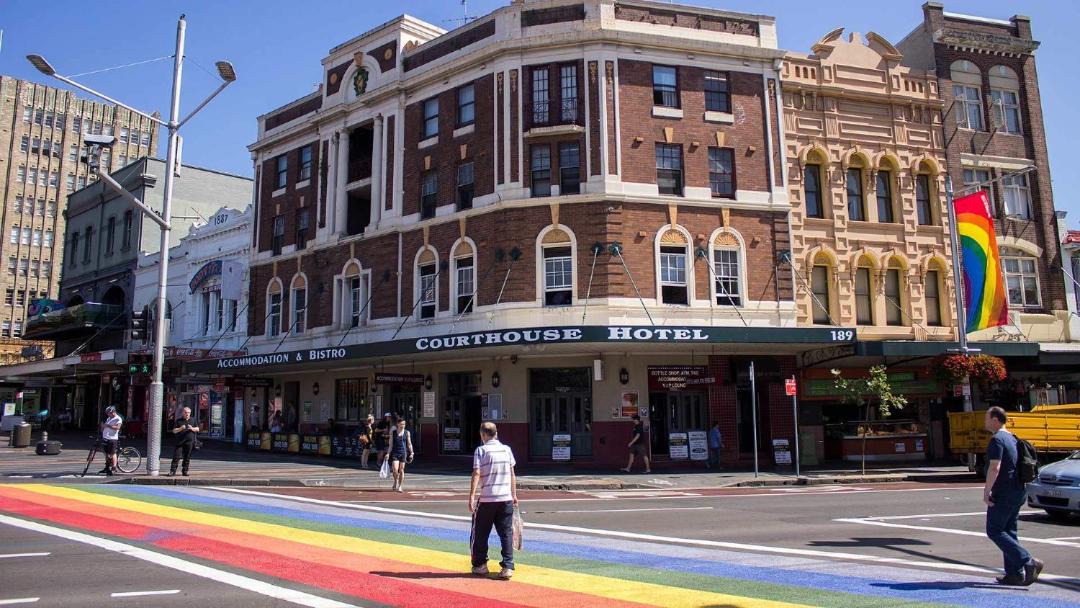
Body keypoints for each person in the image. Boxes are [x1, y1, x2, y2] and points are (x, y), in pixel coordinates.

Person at [983, 406, 1043, 586]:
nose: (984, 421)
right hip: (1018, 490)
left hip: (1004, 492)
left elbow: (995, 467)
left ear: (995, 420)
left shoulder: (997, 440)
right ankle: (1014, 574)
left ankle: (1028, 561)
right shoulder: (1012, 438)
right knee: (1009, 531)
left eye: (987, 418)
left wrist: (987, 491)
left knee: (994, 530)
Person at [468, 421, 518, 580]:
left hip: (487, 498)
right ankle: (508, 566)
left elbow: (476, 473)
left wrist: (471, 496)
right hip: (505, 498)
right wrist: (514, 494)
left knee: (480, 533)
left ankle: (480, 564)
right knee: (506, 533)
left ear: (483, 435)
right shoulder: (507, 450)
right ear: (496, 433)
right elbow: (512, 474)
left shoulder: (481, 451)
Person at [169, 406, 200, 477]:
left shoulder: (193, 420)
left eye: (188, 413)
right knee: (176, 456)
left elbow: (198, 429)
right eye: (186, 412)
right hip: (180, 442)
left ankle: (185, 471)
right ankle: (172, 471)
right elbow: (174, 431)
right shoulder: (179, 421)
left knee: (187, 457)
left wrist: (192, 428)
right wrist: (180, 428)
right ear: (183, 413)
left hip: (189, 442)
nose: (187, 414)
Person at [99, 405, 123, 476]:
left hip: (112, 439)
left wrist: (107, 426)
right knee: (106, 453)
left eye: (109, 413)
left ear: (113, 412)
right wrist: (102, 427)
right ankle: (106, 467)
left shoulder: (118, 418)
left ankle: (114, 467)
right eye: (107, 413)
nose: (108, 414)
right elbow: (105, 426)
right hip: (106, 438)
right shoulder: (109, 418)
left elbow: (118, 427)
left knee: (112, 453)